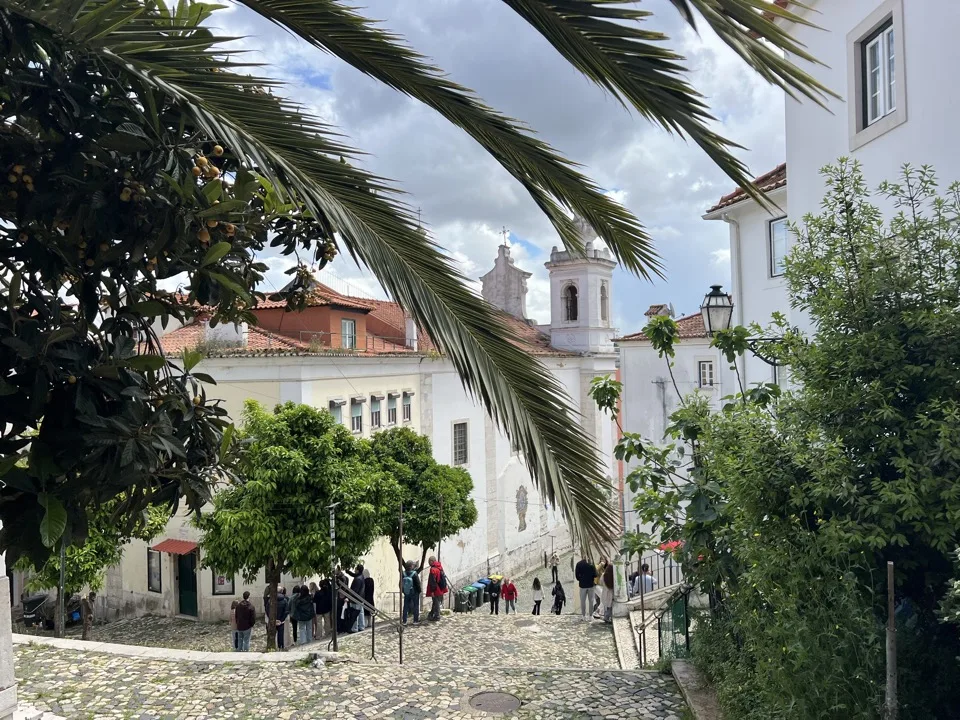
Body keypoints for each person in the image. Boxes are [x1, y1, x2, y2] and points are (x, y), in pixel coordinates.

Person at [575, 554, 599, 622]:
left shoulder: (579, 564)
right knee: (591, 601)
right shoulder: (591, 564)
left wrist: (581, 579)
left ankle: (583, 616)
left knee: (582, 601)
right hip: (590, 585)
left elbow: (576, 575)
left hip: (582, 585)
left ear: (583, 557)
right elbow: (595, 575)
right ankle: (590, 616)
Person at [425, 556, 448, 621]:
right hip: (441, 588)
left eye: (429, 561)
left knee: (436, 602)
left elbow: (433, 581)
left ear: (432, 561)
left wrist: (432, 591)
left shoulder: (433, 570)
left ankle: (437, 616)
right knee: (435, 602)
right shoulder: (440, 567)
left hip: (436, 589)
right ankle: (431, 614)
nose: (429, 563)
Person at [401, 561, 422, 625]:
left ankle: (404, 621)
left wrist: (404, 591)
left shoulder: (403, 573)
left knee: (405, 606)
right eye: (413, 565)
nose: (414, 566)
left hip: (407, 592)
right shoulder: (414, 573)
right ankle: (415, 620)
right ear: (411, 566)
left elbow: (401, 583)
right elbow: (418, 583)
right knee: (416, 606)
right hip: (414, 592)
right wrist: (419, 591)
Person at [348, 565, 366, 632]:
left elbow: (354, 590)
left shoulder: (358, 579)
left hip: (356, 598)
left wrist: (350, 596)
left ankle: (355, 628)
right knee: (360, 612)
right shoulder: (361, 576)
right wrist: (348, 572)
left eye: (355, 569)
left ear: (358, 570)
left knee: (355, 613)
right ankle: (361, 626)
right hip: (361, 598)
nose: (354, 570)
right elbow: (353, 575)